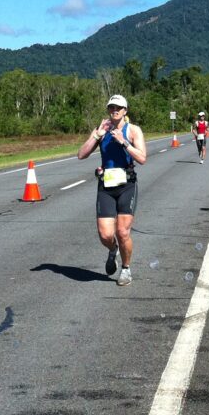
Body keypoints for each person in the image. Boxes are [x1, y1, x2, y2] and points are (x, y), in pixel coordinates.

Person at [77, 94, 147, 286]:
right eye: (111, 107)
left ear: (125, 111)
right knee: (106, 234)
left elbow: (142, 158)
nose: (114, 110)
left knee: (123, 231)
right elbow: (81, 155)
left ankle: (126, 269)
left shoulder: (133, 130)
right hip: (106, 186)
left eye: (118, 108)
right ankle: (113, 249)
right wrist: (97, 135)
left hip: (127, 185)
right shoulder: (102, 130)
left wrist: (124, 142)